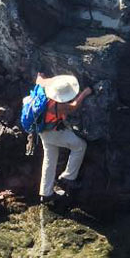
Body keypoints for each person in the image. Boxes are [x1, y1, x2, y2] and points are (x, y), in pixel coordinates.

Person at [35, 73, 93, 205]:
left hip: (41, 130)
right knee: (80, 146)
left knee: (50, 158)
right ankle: (68, 177)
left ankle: (46, 193)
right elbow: (73, 107)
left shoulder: (44, 87)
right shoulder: (56, 106)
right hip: (52, 132)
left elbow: (39, 79)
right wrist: (85, 93)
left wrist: (41, 76)